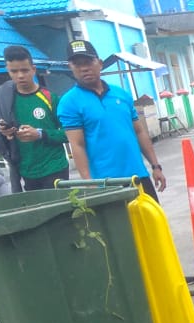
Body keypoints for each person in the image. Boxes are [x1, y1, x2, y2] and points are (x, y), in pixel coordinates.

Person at [57, 39, 166, 201]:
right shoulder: (69, 102)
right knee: (121, 226)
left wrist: (155, 166)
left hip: (138, 176)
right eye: (77, 64)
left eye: (88, 62)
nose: (84, 68)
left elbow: (139, 131)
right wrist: (89, 184)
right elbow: (77, 145)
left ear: (99, 63)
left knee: (152, 224)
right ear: (70, 68)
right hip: (106, 183)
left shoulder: (121, 94)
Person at [0, 45, 70, 193]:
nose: (20, 75)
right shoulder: (4, 100)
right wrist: (3, 132)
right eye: (14, 71)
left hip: (55, 168)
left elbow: (69, 133)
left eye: (24, 70)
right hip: (26, 171)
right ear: (8, 70)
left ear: (33, 69)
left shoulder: (50, 98)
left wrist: (40, 134)